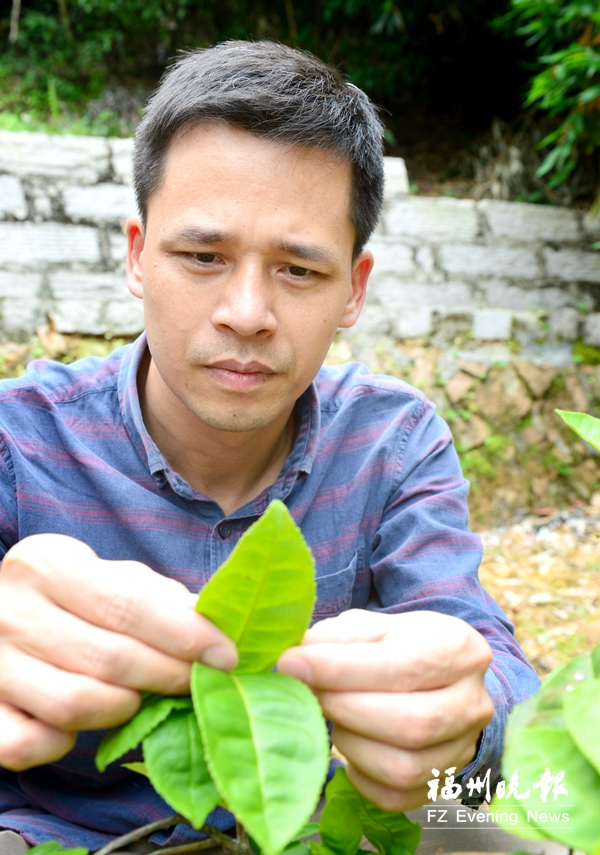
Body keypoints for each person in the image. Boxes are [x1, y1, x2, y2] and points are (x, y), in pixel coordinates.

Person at [0, 40, 540, 853]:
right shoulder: (20, 436)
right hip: (56, 830)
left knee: (526, 823)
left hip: (320, 827)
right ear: (136, 255)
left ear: (353, 288)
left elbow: (492, 670)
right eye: (203, 256)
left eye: (297, 270)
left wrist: (464, 720)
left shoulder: (392, 441)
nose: (247, 311)